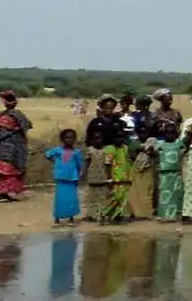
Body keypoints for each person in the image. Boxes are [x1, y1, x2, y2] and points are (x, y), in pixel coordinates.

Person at [84, 96, 132, 224]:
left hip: (115, 153)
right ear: (101, 108)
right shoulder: (95, 123)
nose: (109, 110)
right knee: (98, 183)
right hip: (99, 153)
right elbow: (88, 139)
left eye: (111, 108)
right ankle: (94, 213)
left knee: (112, 185)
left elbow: (124, 136)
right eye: (106, 108)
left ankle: (112, 212)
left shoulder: (118, 122)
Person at [0, 91, 32, 202]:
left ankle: (3, 193)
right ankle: (9, 193)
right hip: (15, 146)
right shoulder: (18, 115)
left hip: (4, 146)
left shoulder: (0, 115)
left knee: (5, 169)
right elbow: (28, 126)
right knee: (11, 169)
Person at [45, 129, 84, 226]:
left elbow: (80, 165)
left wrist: (80, 175)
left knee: (71, 199)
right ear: (62, 139)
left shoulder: (77, 152)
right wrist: (55, 162)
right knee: (60, 199)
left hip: (72, 178)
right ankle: (57, 218)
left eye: (72, 138)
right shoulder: (58, 150)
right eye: (67, 138)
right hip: (61, 177)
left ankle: (71, 218)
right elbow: (47, 154)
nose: (70, 140)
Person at [153, 122, 184, 221]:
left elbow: (184, 150)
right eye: (167, 132)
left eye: (172, 133)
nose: (169, 135)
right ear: (164, 133)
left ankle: (176, 216)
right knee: (163, 194)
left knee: (176, 194)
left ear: (176, 133)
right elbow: (154, 155)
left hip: (176, 172)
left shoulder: (179, 143)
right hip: (163, 173)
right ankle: (164, 215)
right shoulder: (159, 144)